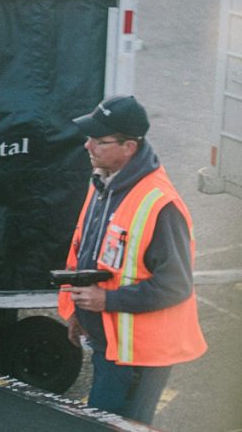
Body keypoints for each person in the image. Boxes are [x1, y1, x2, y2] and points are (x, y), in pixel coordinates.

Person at [58, 95, 206, 424]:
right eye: (89, 137)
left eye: (99, 140)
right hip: (110, 346)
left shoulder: (161, 204)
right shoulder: (104, 183)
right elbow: (94, 256)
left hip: (138, 356)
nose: (88, 146)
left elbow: (175, 286)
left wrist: (106, 300)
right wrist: (81, 313)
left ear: (130, 147)